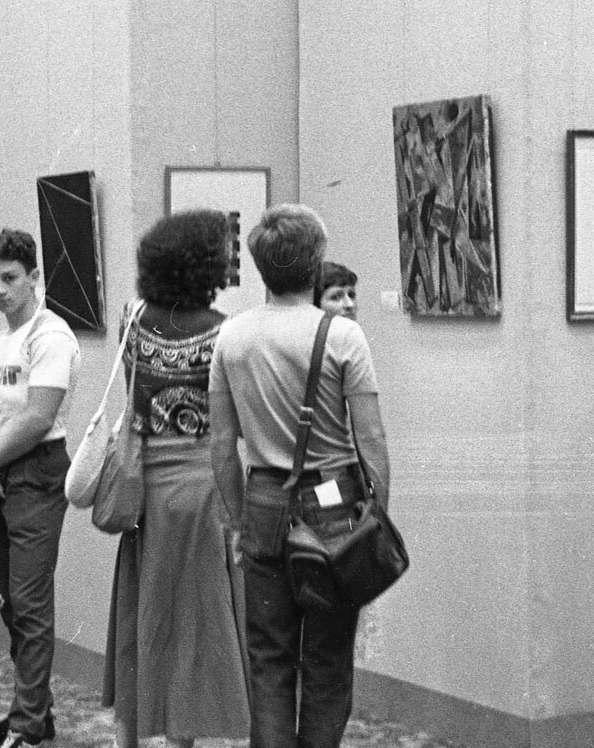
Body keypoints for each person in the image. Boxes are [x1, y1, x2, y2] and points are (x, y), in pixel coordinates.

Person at [209, 203, 390, 748]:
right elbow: (372, 439)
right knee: (329, 660)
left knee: (268, 659)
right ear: (315, 264)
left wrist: (238, 519)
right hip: (335, 503)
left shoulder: (232, 338)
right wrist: (377, 514)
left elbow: (221, 445)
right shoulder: (342, 337)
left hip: (263, 497)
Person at [105, 211, 249, 748]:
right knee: (201, 618)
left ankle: (135, 732)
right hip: (205, 486)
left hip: (146, 488)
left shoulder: (132, 320)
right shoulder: (225, 330)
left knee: (150, 612)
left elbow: (133, 398)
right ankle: (186, 734)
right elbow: (226, 424)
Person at [0, 229, 80, 748]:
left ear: (35, 278)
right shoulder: (2, 339)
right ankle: (34, 711)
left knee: (30, 604)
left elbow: (37, 418)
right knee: (10, 600)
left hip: (37, 470)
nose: (0, 290)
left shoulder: (49, 335)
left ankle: (28, 728)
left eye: (10, 278)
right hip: (1, 469)